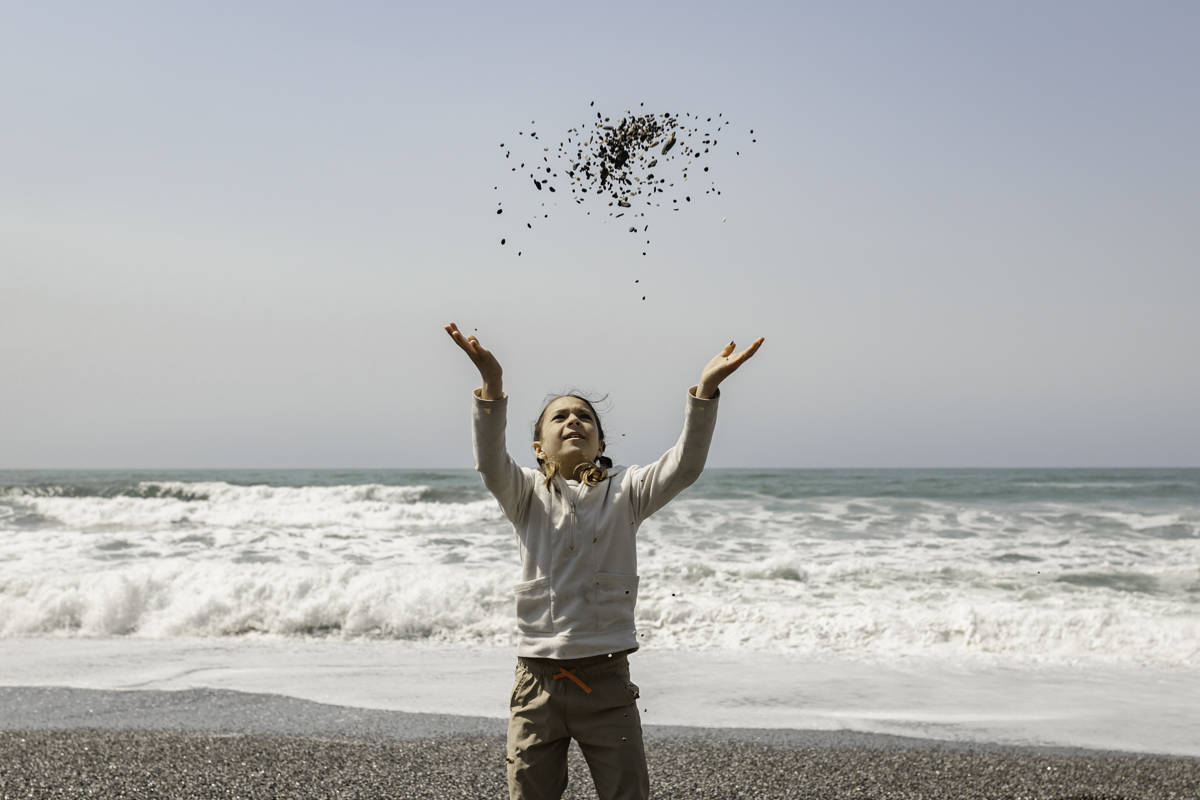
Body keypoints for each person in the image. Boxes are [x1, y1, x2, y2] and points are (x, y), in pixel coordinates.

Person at [444, 321, 763, 800]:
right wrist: (491, 386)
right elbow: (490, 461)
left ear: (600, 442)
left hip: (608, 681)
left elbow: (685, 464)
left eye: (584, 418)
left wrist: (706, 391)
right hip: (537, 683)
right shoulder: (525, 494)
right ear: (537, 448)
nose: (574, 421)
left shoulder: (627, 492)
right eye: (560, 418)